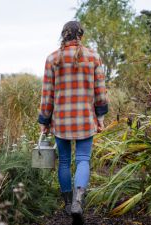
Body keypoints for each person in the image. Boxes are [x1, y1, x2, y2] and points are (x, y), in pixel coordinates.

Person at [38, 21, 108, 222]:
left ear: (63, 36)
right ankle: (79, 201)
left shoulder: (52, 58)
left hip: (61, 121)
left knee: (65, 162)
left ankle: (68, 204)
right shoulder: (93, 57)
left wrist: (44, 119)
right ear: (81, 36)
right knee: (83, 159)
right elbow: (100, 93)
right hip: (86, 119)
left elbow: (47, 94)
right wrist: (100, 117)